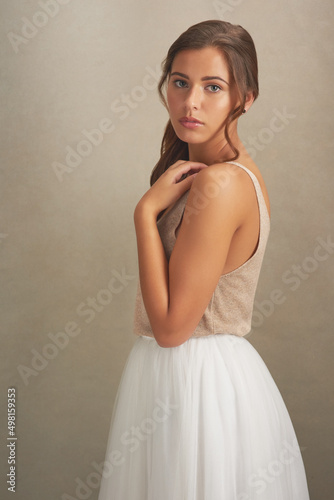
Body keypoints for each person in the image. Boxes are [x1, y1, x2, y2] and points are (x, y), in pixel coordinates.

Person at [98, 20, 310, 499]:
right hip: (193, 378)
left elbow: (172, 329)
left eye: (213, 87)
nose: (191, 102)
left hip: (196, 385)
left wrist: (144, 213)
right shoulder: (222, 174)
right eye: (180, 82)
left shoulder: (221, 184)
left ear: (246, 98)